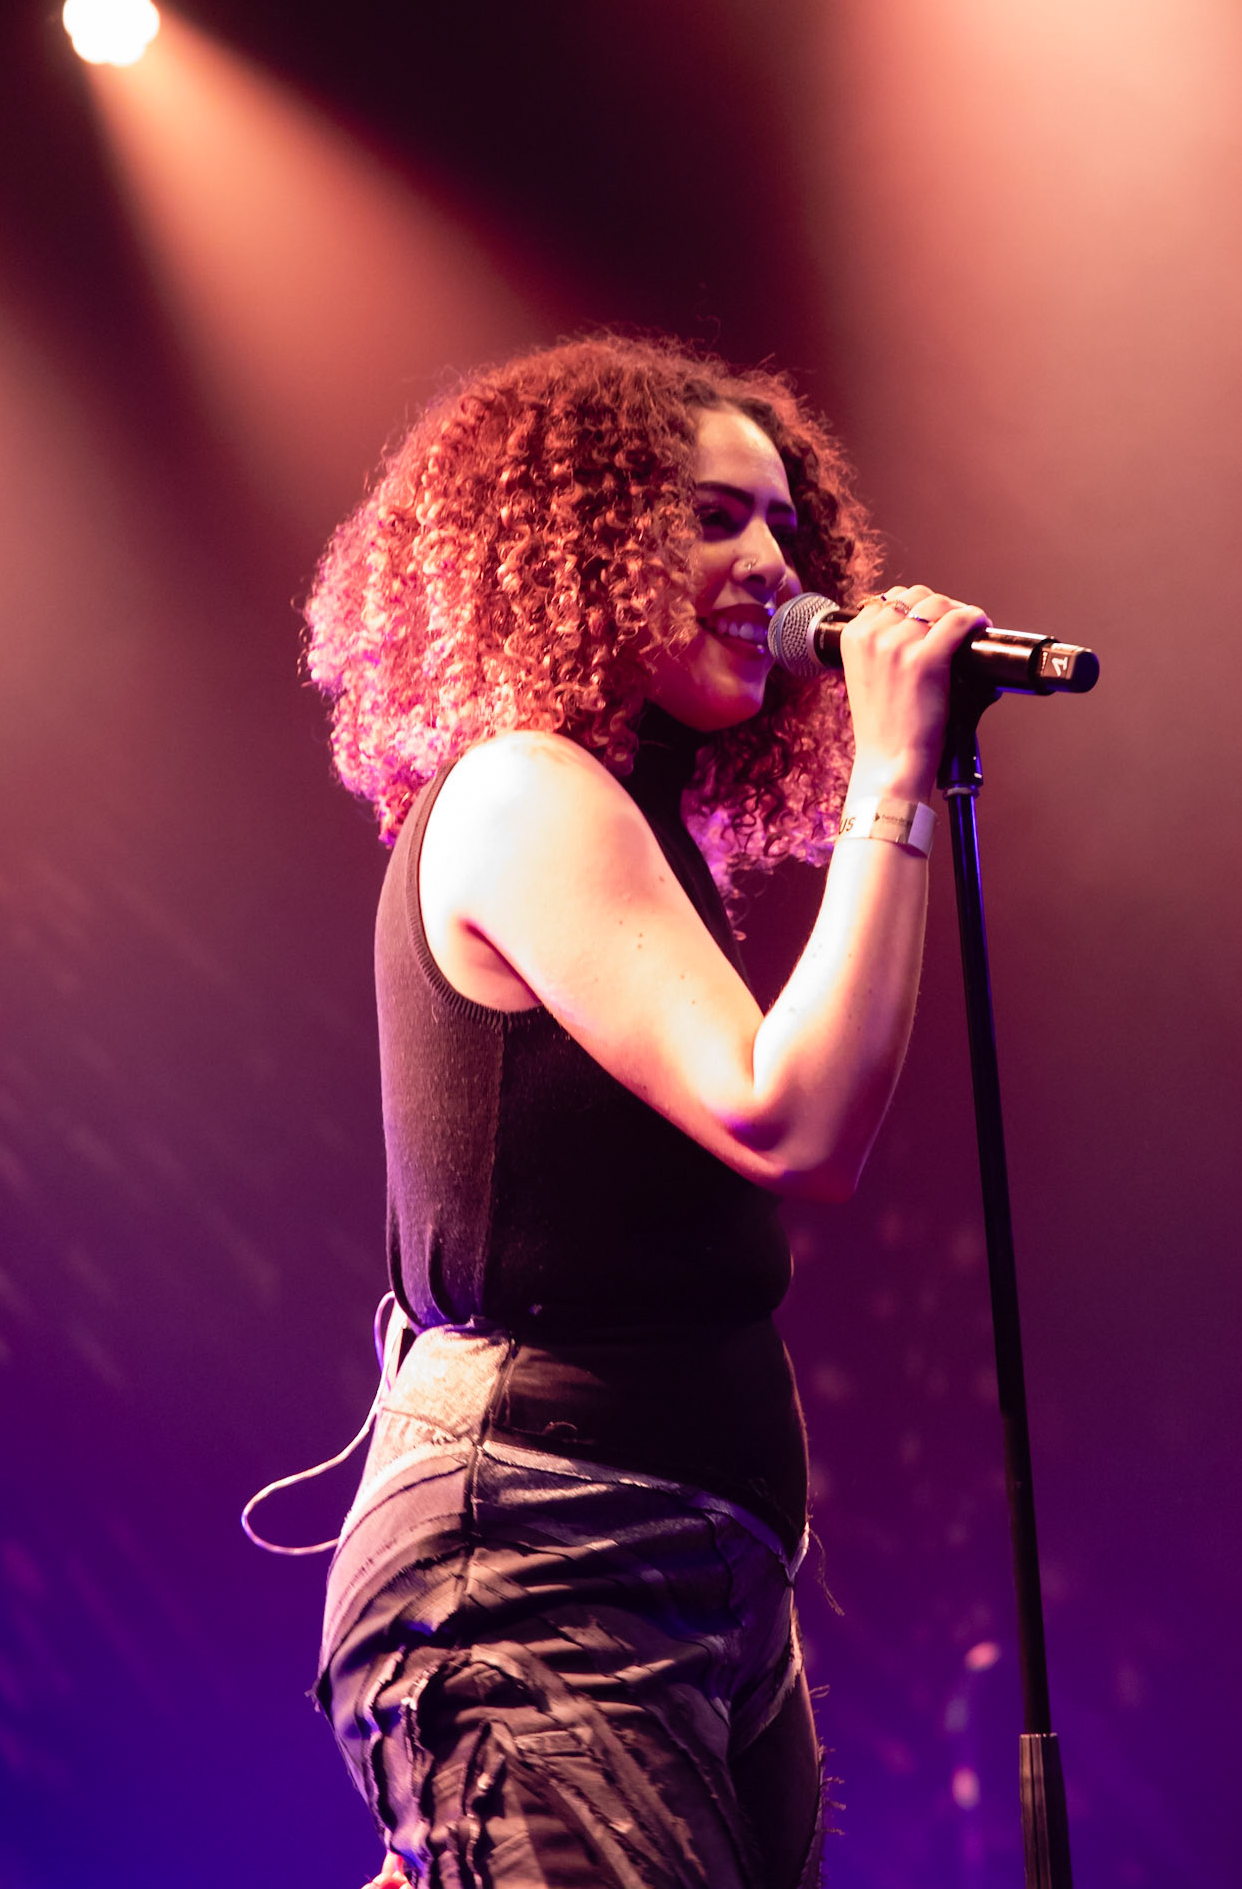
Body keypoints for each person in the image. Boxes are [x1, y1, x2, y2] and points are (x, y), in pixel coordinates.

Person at [301, 334, 988, 1889]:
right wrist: (893, 777)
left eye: (782, 526)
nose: (772, 564)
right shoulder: (525, 784)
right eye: (711, 518)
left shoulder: (614, 810)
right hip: (546, 1558)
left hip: (672, 1566)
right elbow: (792, 1119)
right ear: (568, 545)